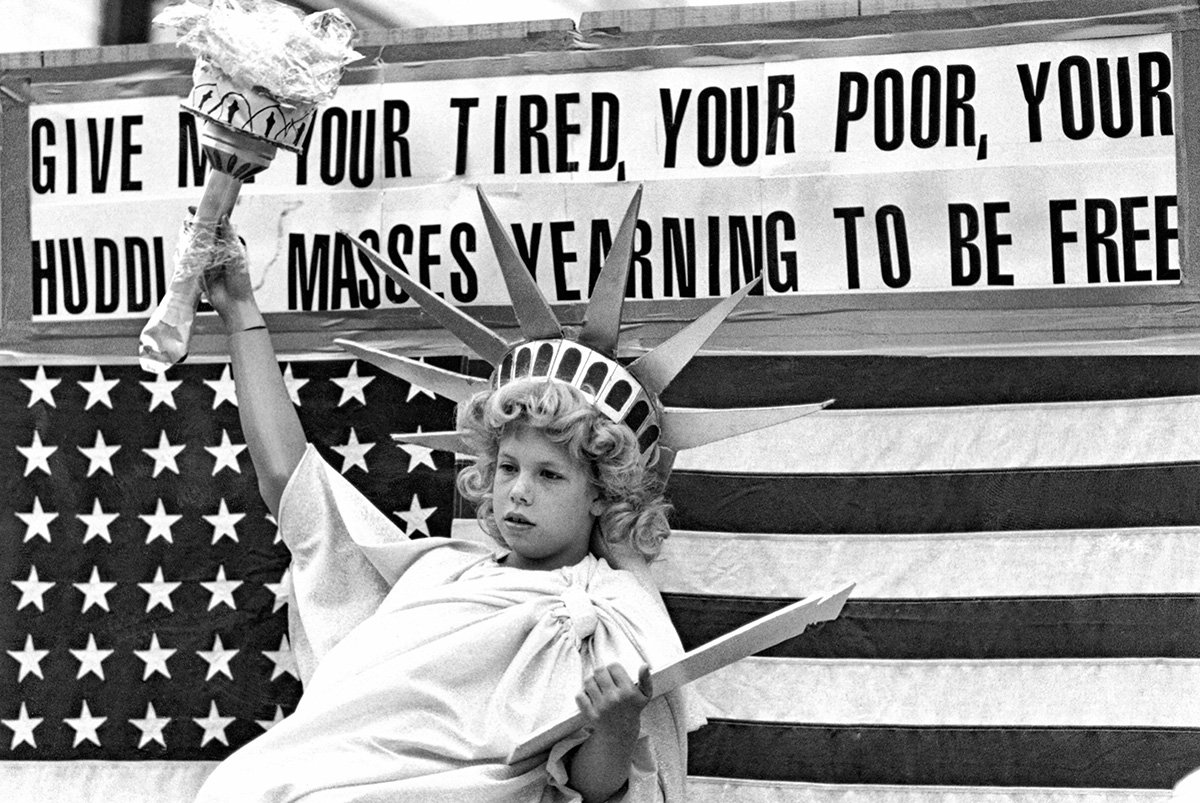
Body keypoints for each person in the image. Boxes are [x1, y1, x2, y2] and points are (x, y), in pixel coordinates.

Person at [189, 217, 704, 802]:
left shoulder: (615, 609)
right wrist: (240, 315)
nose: (519, 491)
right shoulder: (436, 572)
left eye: (550, 475)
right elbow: (291, 485)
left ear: (602, 493)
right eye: (508, 467)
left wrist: (615, 724)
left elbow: (593, 788)